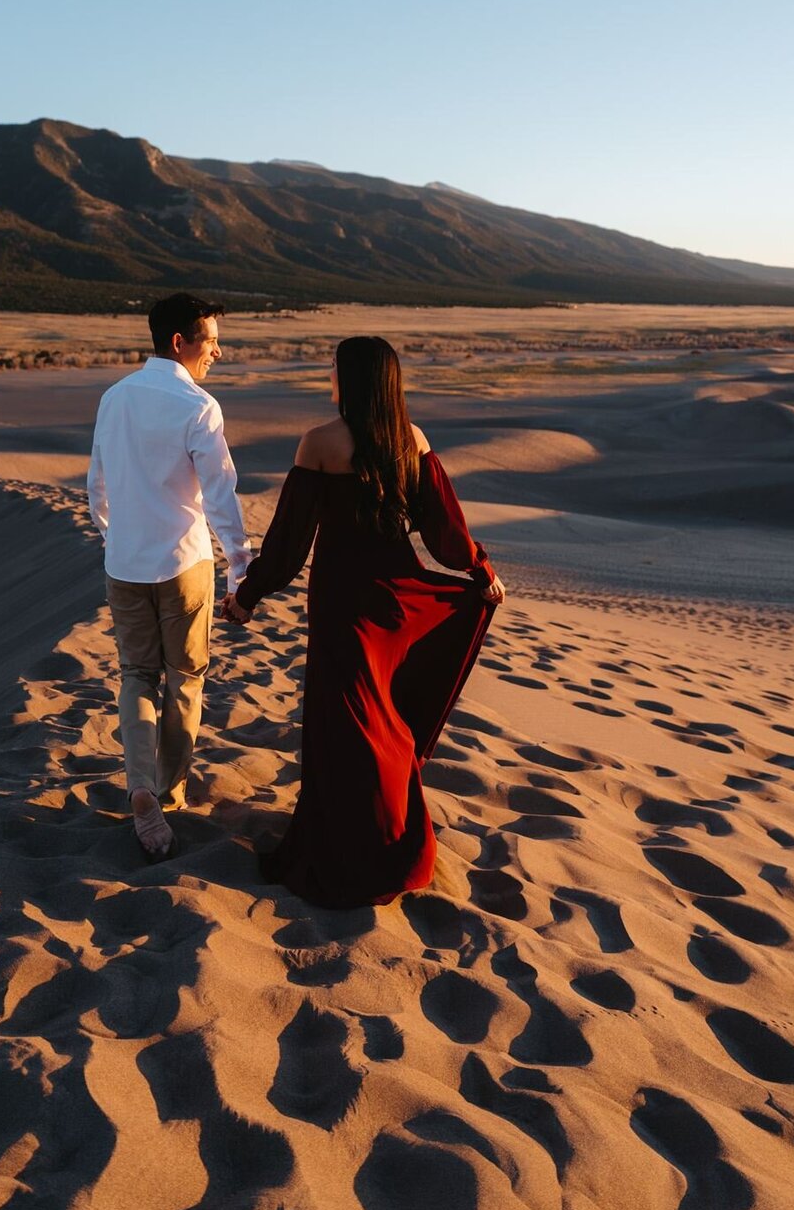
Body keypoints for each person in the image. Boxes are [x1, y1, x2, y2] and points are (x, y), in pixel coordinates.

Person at [223, 336, 504, 908]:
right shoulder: (413, 440)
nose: (328, 377)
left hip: (344, 606)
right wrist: (480, 569)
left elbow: (289, 543)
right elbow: (445, 532)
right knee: (382, 722)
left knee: (347, 726)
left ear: (350, 379)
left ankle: (369, 854)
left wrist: (248, 596)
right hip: (398, 600)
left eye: (333, 369)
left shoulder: (320, 443)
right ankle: (386, 840)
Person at [88, 292, 252, 862]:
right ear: (179, 342)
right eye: (210, 341)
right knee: (184, 679)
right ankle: (169, 793)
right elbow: (221, 494)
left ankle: (138, 786)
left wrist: (117, 539)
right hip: (185, 564)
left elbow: (97, 486)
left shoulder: (114, 398)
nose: (218, 352)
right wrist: (241, 568)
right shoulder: (198, 406)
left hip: (124, 565)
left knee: (136, 674)